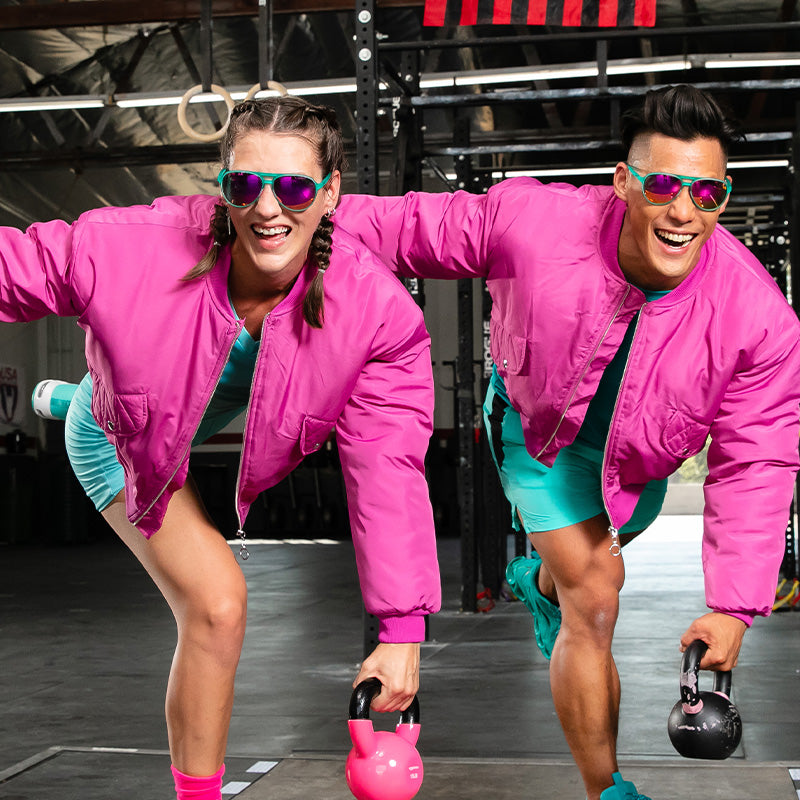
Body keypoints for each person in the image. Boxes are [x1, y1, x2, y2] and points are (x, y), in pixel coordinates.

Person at [337, 84, 800, 800]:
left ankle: (541, 581)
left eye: (706, 193)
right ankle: (606, 788)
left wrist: (735, 603)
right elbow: (416, 227)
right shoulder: (540, 222)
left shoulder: (758, 318)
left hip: (638, 465)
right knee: (598, 592)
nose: (683, 211)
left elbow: (757, 458)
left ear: (723, 196)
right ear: (624, 181)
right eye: (664, 184)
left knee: (585, 568)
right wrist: (290, 205)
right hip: (536, 434)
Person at [0, 96, 441, 800]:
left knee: (116, 391)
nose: (269, 208)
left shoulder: (375, 314)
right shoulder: (129, 248)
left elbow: (386, 466)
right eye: (246, 185)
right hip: (120, 434)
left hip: (169, 406)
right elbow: (15, 261)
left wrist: (401, 629)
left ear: (330, 193)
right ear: (223, 187)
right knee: (218, 606)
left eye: (294, 187)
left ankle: (63, 393)